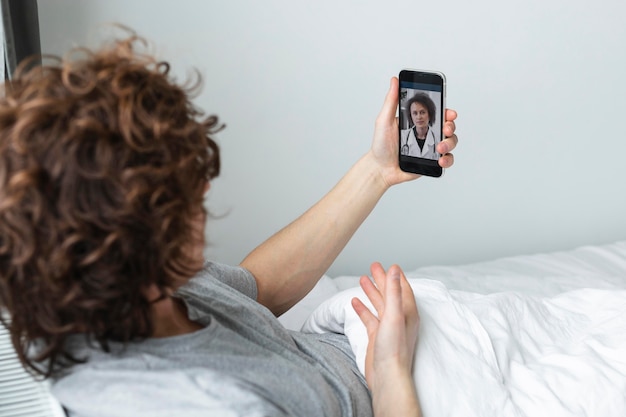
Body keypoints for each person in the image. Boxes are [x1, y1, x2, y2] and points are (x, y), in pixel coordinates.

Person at [0, 33, 458, 417]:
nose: (202, 194)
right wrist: (390, 373)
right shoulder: (195, 404)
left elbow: (257, 287)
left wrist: (376, 171)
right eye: (182, 194)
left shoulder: (143, 289)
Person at [400, 92, 440, 160]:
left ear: (430, 114)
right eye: (415, 113)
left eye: (422, 112)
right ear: (411, 116)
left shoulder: (438, 139)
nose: (419, 117)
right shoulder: (402, 137)